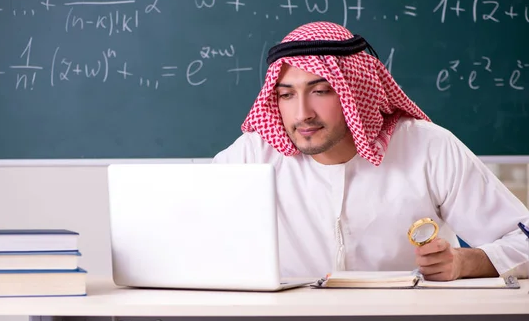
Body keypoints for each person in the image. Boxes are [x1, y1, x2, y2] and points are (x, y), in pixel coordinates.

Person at [212, 21, 529, 281]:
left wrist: (464, 263)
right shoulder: (253, 156)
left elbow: (524, 242)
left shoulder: (428, 148)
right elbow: (182, 233)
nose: (301, 114)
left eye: (320, 91)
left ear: (354, 92)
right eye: (286, 95)